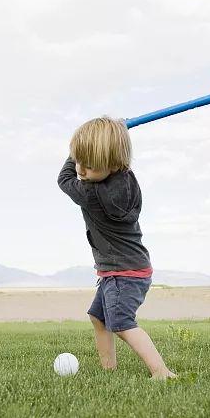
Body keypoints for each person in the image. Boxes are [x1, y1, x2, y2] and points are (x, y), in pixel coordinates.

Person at [57, 116, 177, 380]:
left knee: (121, 324)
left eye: (89, 165)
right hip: (127, 269)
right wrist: (102, 140)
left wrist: (73, 151)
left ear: (112, 163)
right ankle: (108, 371)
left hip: (123, 274)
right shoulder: (127, 179)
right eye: (79, 160)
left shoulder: (92, 194)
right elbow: (109, 155)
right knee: (98, 318)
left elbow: (63, 179)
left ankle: (161, 372)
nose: (81, 170)